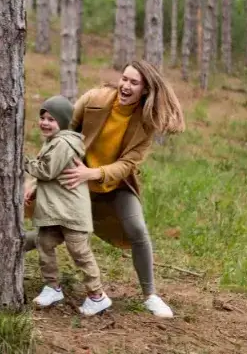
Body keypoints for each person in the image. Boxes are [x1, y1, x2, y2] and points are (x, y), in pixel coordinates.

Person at [24, 60, 185, 318]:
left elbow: (127, 164)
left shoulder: (146, 122)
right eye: (124, 79)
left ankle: (150, 295)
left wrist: (95, 173)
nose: (126, 85)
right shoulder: (94, 99)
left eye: (134, 82)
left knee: (137, 229)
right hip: (76, 182)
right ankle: (2, 254)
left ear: (144, 89)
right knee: (52, 232)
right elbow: (60, 136)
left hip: (114, 185)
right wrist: (36, 181)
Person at [23, 95, 112, 316]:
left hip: (71, 213)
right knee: (44, 243)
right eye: (43, 117)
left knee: (80, 252)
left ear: (62, 122)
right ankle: (52, 287)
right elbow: (52, 174)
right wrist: (34, 187)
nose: (44, 122)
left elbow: (47, 170)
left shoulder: (63, 143)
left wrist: (21, 161)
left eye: (51, 119)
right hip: (56, 211)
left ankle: (97, 296)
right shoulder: (53, 142)